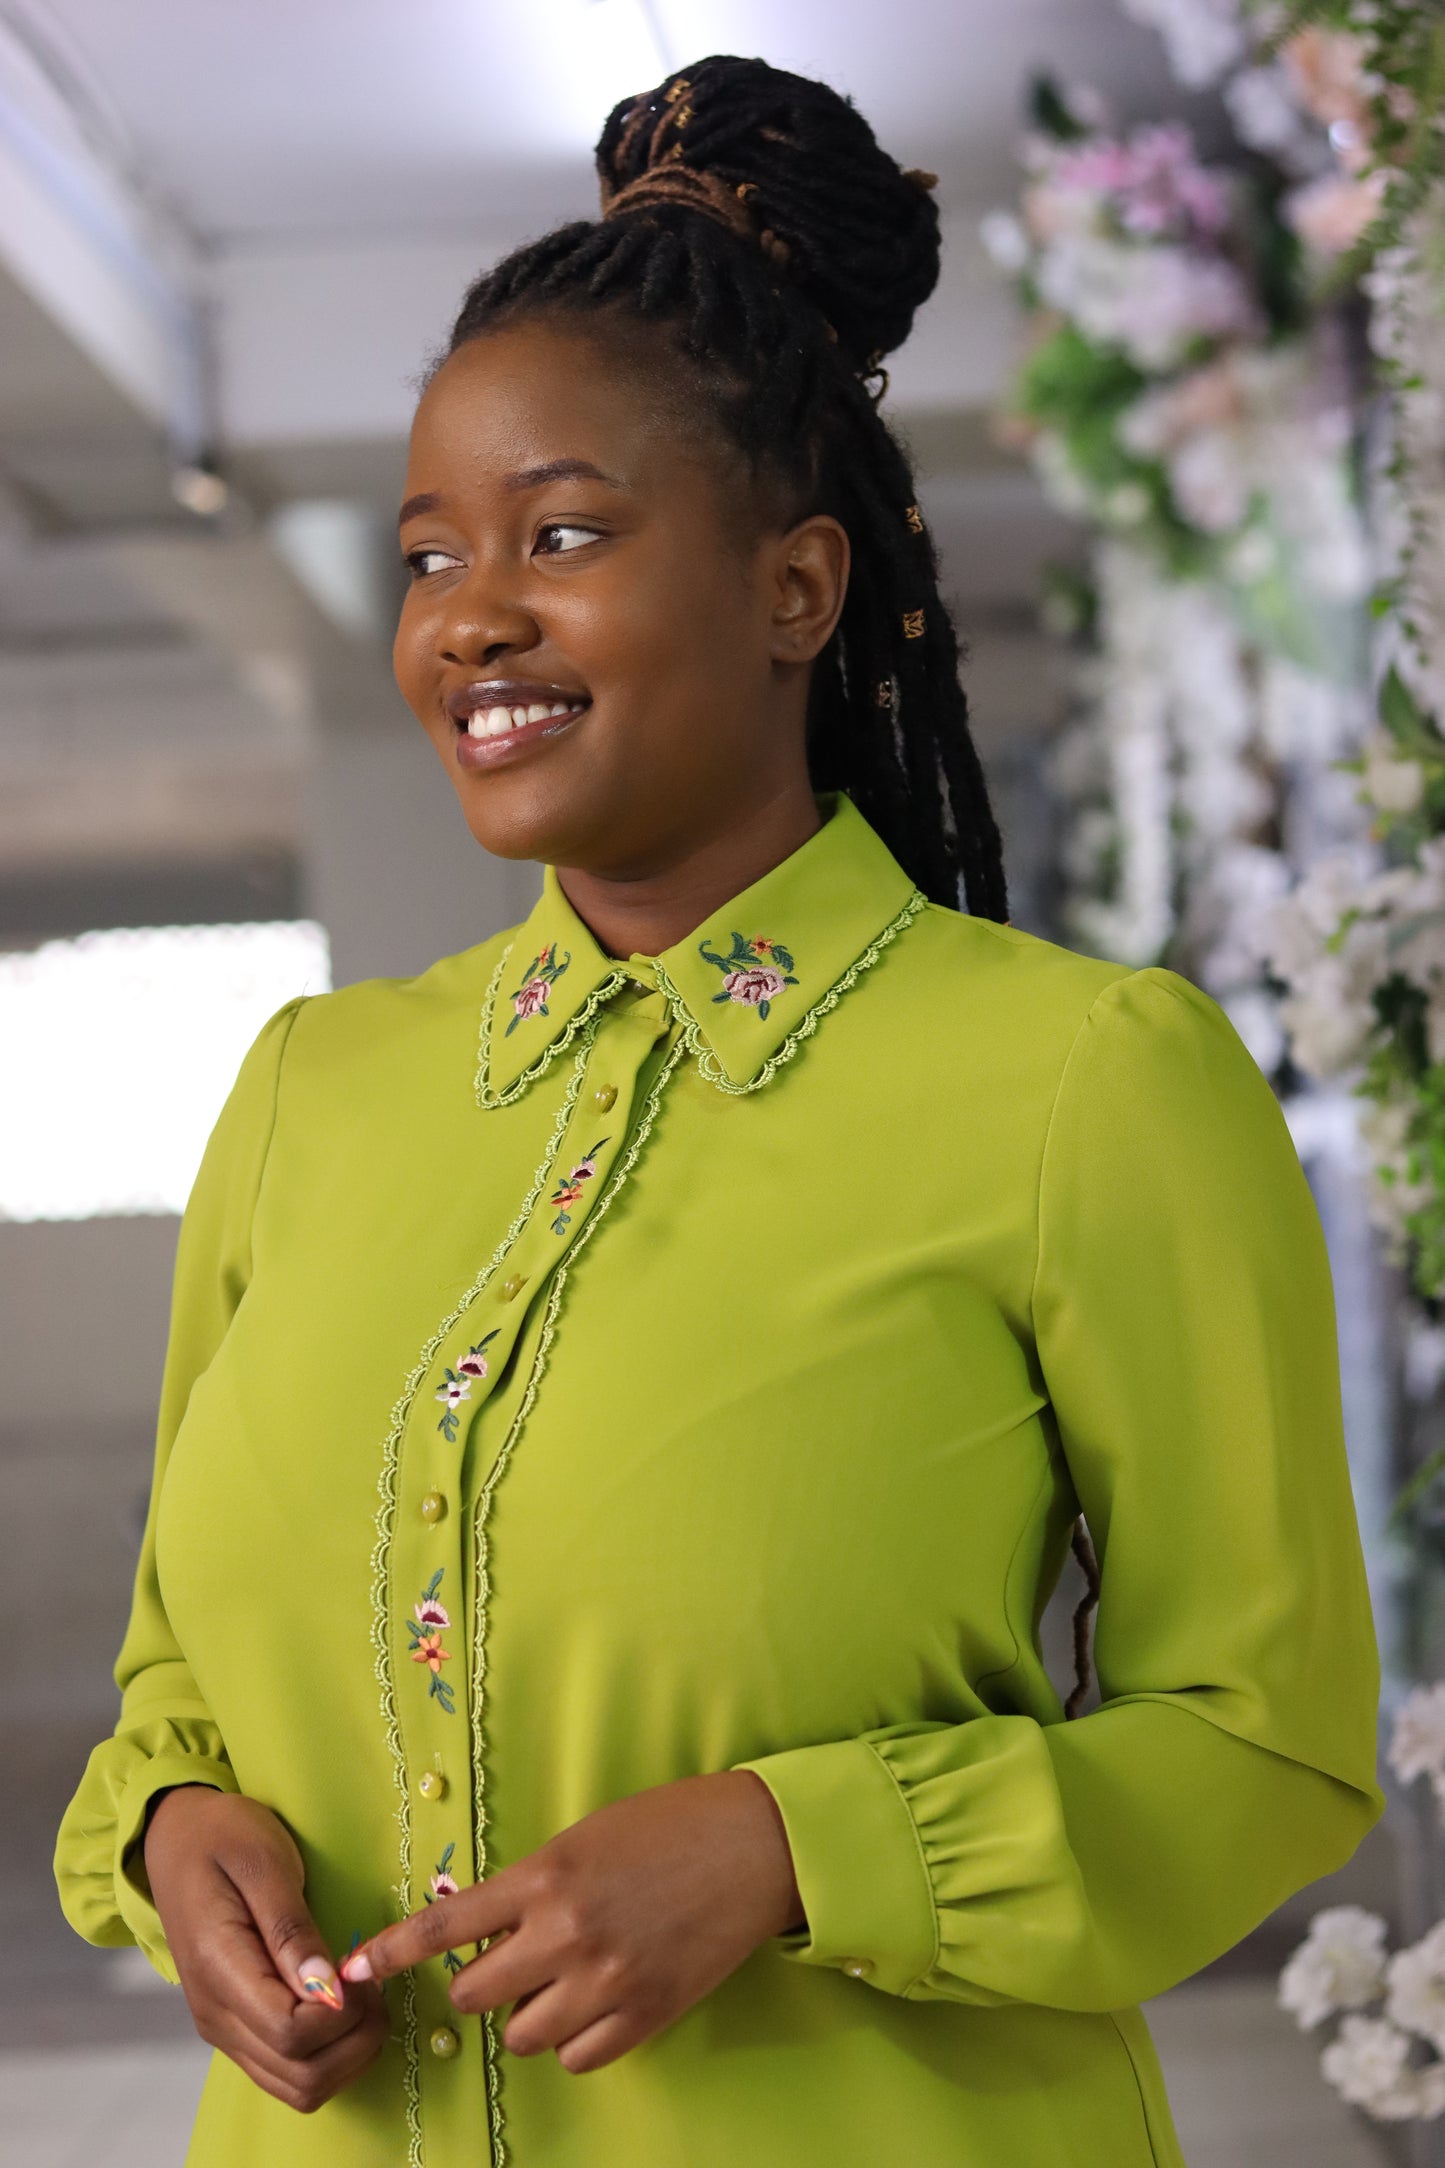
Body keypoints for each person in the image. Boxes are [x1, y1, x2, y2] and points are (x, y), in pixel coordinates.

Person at [56, 53, 1381, 2168]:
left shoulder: (1082, 1084)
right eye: (427, 553)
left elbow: (1270, 1749)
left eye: (563, 532)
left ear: (796, 589)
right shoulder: (315, 1094)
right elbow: (171, 1677)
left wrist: (796, 1847)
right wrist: (180, 1824)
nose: (469, 612)